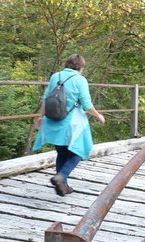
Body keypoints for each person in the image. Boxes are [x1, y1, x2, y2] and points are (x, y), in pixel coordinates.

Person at [33, 54, 105, 196]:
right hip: (72, 122)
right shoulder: (80, 79)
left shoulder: (56, 76)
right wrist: (98, 116)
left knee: (62, 152)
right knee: (79, 151)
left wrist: (41, 117)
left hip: (53, 119)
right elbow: (86, 103)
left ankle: (63, 186)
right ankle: (61, 176)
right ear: (81, 68)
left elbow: (46, 98)